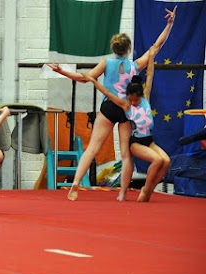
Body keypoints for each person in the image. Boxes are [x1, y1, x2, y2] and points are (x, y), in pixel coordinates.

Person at [48, 6, 176, 201]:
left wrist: (62, 71)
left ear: (113, 48)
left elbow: (85, 78)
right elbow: (155, 48)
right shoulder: (135, 65)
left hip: (108, 107)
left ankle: (75, 183)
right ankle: (122, 194)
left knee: (92, 148)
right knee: (126, 155)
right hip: (125, 109)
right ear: (130, 48)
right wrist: (169, 24)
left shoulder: (107, 64)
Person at [82, 45, 170, 202]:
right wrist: (94, 81)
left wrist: (151, 57)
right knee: (158, 160)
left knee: (166, 161)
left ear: (141, 96)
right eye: (130, 99)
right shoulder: (126, 106)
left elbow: (150, 75)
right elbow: (107, 93)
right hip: (135, 143)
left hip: (149, 141)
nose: (133, 102)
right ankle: (146, 191)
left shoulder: (145, 100)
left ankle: (148, 189)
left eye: (135, 99)